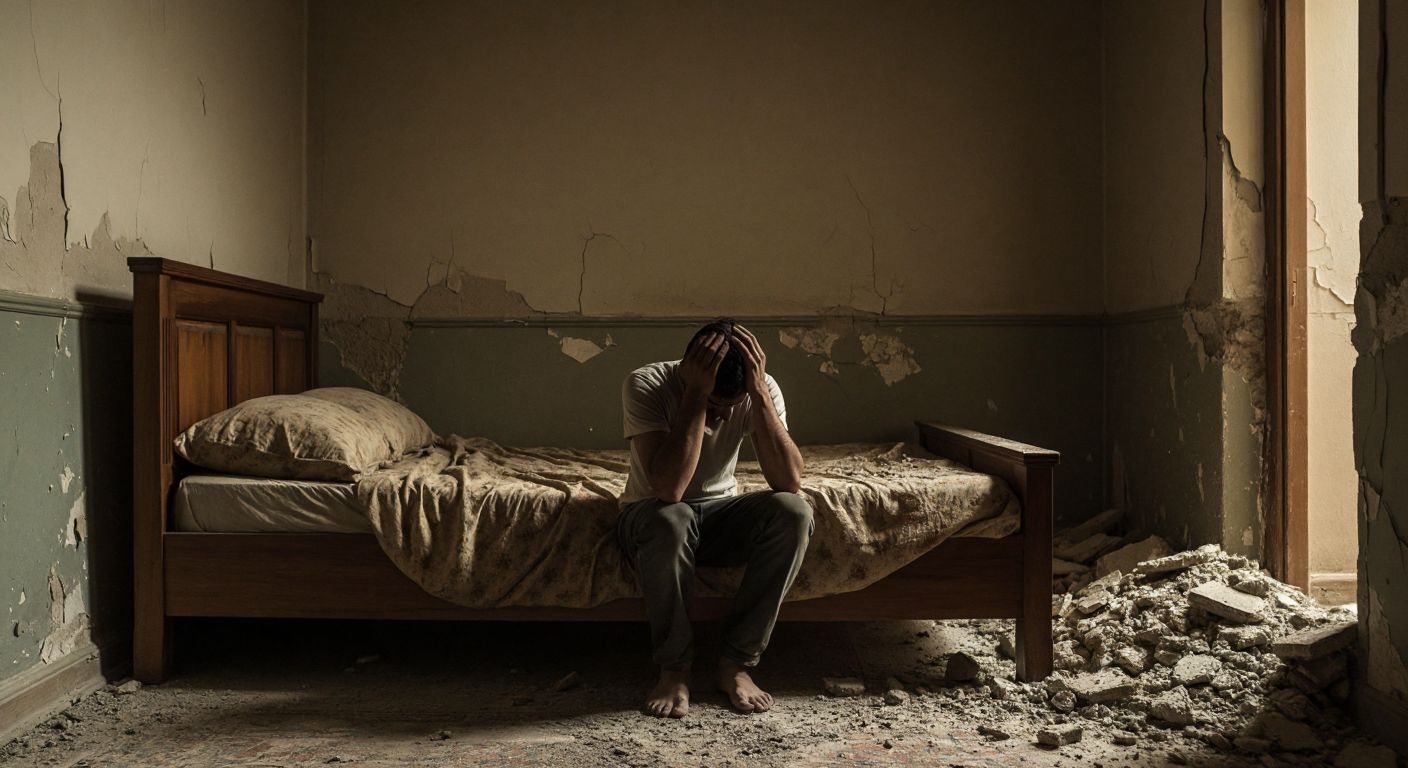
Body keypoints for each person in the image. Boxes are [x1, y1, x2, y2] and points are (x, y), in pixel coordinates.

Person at [616, 319, 811, 718]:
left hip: (721, 513)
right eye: (715, 404)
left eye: (730, 404)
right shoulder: (645, 383)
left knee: (795, 511)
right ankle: (674, 669)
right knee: (673, 518)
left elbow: (789, 480)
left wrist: (757, 395)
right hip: (651, 513)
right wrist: (695, 398)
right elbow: (668, 490)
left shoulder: (760, 388)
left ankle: (736, 664)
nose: (722, 416)